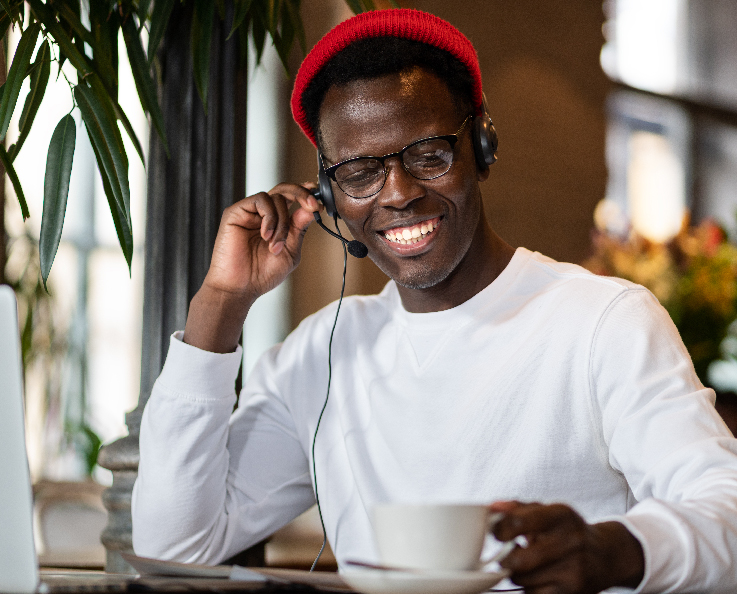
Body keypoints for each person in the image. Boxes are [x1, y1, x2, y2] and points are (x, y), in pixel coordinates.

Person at [132, 8, 737, 593]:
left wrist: (615, 549)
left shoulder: (605, 322)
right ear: (328, 192)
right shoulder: (321, 352)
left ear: (480, 147)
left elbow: (726, 512)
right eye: (360, 171)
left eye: (429, 154)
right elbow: (173, 545)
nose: (397, 193)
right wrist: (222, 302)